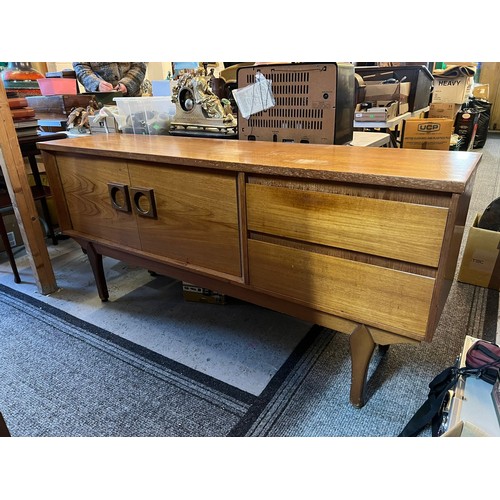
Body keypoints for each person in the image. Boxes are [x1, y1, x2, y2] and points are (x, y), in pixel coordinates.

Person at [72, 62, 147, 96]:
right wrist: (97, 84)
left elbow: (139, 66)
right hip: (100, 101)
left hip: (131, 100)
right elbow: (81, 68)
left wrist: (127, 84)